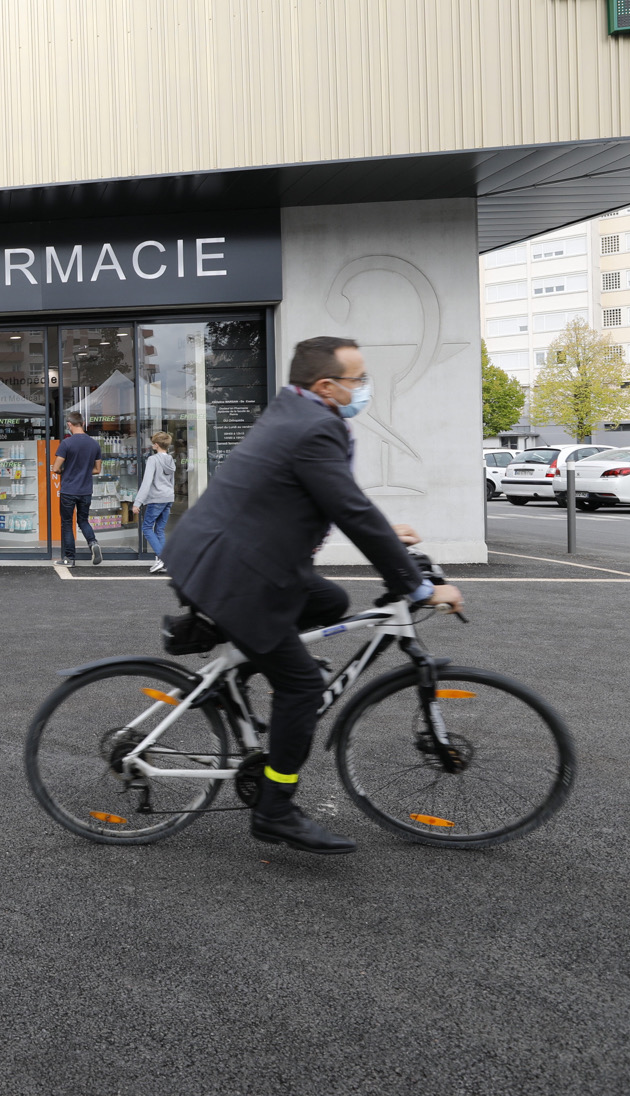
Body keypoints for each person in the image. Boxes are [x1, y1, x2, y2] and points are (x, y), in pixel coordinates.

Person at [163, 336, 465, 855]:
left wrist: (387, 535)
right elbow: (351, 509)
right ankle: (275, 809)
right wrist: (417, 587)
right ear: (326, 386)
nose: (364, 387)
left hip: (224, 558)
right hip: (235, 576)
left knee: (328, 602)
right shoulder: (316, 427)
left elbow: (326, 497)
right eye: (358, 379)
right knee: (302, 686)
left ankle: (235, 671)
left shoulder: (295, 411)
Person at [52, 416, 103, 566]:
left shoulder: (66, 443)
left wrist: (66, 472)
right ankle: (93, 543)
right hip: (85, 490)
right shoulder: (94, 444)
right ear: (83, 423)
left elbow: (55, 468)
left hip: (69, 490)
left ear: (69, 424)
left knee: (67, 524)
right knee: (83, 520)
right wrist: (84, 472)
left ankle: (69, 558)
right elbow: (97, 470)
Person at [133, 430, 176, 575]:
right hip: (168, 497)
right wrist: (171, 497)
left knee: (146, 528)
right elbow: (172, 481)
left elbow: (147, 482)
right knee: (159, 530)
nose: (152, 445)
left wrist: (138, 502)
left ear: (157, 445)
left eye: (153, 443)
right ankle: (165, 562)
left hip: (156, 498)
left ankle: (163, 558)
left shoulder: (153, 460)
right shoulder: (170, 460)